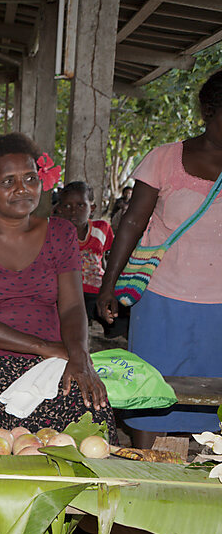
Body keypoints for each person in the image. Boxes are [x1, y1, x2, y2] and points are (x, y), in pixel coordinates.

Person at [0, 133, 116, 435]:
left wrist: (78, 354)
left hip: (55, 351)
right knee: (39, 426)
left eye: (30, 178)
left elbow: (73, 305)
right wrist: (49, 348)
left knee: (93, 414)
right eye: (8, 182)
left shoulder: (60, 233)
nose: (22, 189)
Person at [98, 69, 222, 445]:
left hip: (218, 306)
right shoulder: (165, 159)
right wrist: (108, 286)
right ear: (210, 110)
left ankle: (200, 475)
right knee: (150, 386)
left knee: (211, 393)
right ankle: (143, 471)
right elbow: (133, 223)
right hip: (161, 296)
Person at [54, 182, 124, 337]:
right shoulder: (55, 233)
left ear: (91, 209)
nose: (73, 211)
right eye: (66, 206)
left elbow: (104, 260)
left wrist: (108, 285)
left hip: (95, 290)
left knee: (119, 315)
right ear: (59, 209)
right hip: (67, 292)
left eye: (80, 205)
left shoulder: (102, 228)